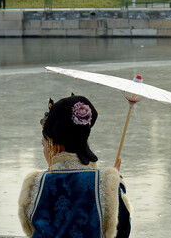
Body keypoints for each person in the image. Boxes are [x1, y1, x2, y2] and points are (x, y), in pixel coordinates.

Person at [18, 94, 131, 238]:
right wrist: (116, 185)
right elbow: (122, 232)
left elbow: (31, 230)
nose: (44, 150)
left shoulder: (34, 184)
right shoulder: (105, 183)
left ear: (55, 147)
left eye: (44, 144)